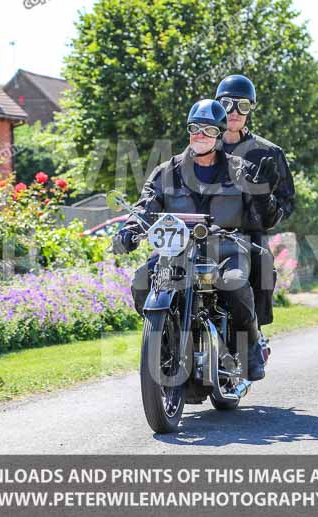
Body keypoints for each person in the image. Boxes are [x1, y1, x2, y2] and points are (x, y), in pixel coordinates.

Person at [111, 99, 279, 381]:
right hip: (176, 249)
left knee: (235, 282)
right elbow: (145, 207)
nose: (200, 134)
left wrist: (263, 194)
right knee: (141, 281)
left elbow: (266, 218)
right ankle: (164, 338)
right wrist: (130, 231)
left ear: (219, 134)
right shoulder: (167, 171)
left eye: (208, 130)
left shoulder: (238, 169)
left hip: (226, 247)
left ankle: (249, 345)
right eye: (194, 128)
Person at [215, 74, 295, 337]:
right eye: (228, 104)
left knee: (260, 265)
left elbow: (286, 204)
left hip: (248, 235)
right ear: (218, 106)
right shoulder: (202, 148)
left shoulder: (270, 153)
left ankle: (252, 339)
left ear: (250, 111)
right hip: (206, 235)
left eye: (243, 106)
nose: (234, 112)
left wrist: (264, 198)